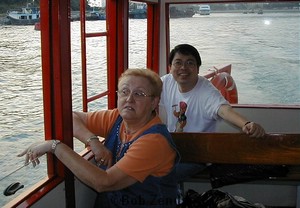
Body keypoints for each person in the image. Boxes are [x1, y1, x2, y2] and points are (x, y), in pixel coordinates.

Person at [18, 68, 180, 208]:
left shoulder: (154, 141)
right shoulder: (117, 118)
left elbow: (104, 182)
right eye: (124, 91)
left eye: (139, 94)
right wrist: (92, 141)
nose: (129, 99)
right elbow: (69, 117)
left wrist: (54, 146)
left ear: (154, 102)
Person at [159, 44, 265, 182]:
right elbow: (146, 97)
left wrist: (246, 123)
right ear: (170, 68)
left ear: (197, 69)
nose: (183, 68)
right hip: (172, 148)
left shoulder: (207, 92)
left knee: (162, 175)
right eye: (178, 63)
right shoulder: (166, 82)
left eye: (190, 63)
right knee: (141, 167)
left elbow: (224, 110)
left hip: (197, 155)